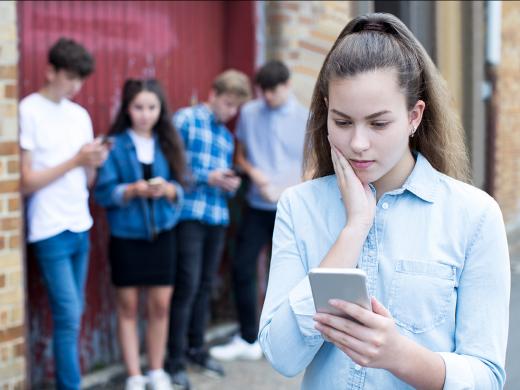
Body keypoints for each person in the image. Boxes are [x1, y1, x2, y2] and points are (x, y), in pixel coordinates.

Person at [259, 12, 510, 390]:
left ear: (414, 116)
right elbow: (282, 357)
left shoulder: (472, 215)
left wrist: (399, 355)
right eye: (342, 122)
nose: (358, 143)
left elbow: (487, 376)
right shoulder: (300, 206)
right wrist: (353, 229)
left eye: (378, 124)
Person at [19, 37, 108, 390]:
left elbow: (87, 182)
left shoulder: (80, 114)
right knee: (69, 315)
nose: (75, 86)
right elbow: (25, 181)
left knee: (73, 314)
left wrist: (93, 162)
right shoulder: (29, 109)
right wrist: (75, 160)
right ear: (50, 70)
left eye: (80, 80)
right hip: (48, 227)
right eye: (68, 77)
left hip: (79, 224)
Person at [210, 60, 308, 361]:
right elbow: (239, 155)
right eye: (263, 91)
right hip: (256, 203)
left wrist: (292, 189)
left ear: (287, 86)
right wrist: (255, 174)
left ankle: (292, 339)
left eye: (274, 91)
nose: (267, 98)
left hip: (291, 207)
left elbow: (316, 161)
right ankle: (248, 338)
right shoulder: (250, 113)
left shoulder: (307, 116)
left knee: (292, 274)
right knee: (241, 266)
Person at [95, 79, 185, 390]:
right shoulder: (115, 145)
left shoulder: (168, 142)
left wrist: (170, 190)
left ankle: (156, 371)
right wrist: (131, 191)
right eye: (138, 107)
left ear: (160, 110)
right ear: (127, 109)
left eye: (151, 107)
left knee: (160, 306)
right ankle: (134, 375)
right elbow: (104, 194)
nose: (145, 114)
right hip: (126, 237)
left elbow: (181, 186)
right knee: (128, 307)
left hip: (163, 236)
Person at [166, 70, 252, 389]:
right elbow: (171, 165)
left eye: (235, 108)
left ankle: (196, 350)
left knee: (204, 285)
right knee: (186, 284)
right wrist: (207, 176)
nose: (230, 111)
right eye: (227, 103)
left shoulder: (226, 137)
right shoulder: (185, 120)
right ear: (213, 93)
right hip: (188, 214)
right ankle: (174, 359)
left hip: (216, 216)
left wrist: (229, 183)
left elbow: (224, 185)